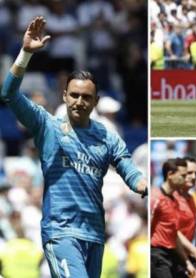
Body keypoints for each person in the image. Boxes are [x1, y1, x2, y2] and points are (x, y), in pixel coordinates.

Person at [0, 17, 147, 277]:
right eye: (75, 95)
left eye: (86, 97)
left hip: (94, 234)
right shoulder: (47, 125)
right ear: (65, 96)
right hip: (61, 232)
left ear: (96, 101)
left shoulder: (106, 134)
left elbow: (125, 163)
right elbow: (9, 94)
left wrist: (140, 184)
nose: (79, 101)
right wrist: (25, 54)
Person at [150, 158, 196, 278]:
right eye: (183, 175)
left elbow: (174, 234)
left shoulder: (174, 201)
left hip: (170, 255)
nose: (186, 178)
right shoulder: (156, 197)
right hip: (157, 253)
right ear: (170, 175)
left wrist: (186, 262)